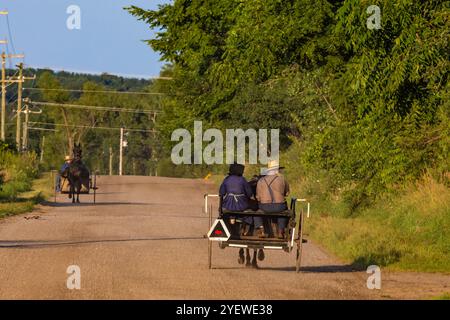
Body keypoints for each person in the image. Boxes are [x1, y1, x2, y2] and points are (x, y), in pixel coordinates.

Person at [256, 160, 290, 239]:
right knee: (283, 211)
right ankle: (281, 230)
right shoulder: (282, 179)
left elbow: (258, 197)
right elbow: (287, 193)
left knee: (256, 212)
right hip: (279, 206)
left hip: (265, 207)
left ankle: (260, 228)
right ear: (276, 170)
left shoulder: (261, 180)